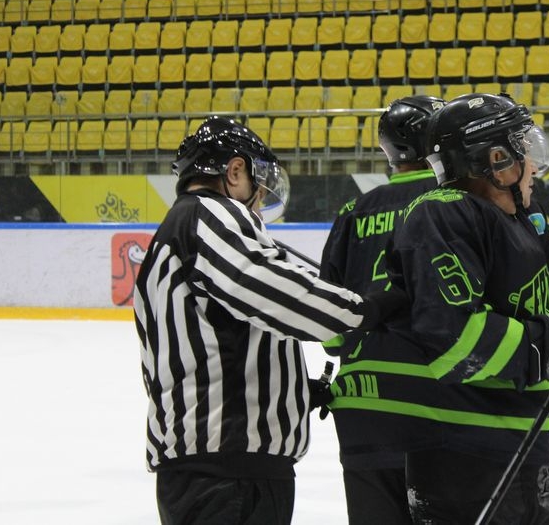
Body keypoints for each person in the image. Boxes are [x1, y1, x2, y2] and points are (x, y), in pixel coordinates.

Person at [331, 93, 549, 524]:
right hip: (464, 435)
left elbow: (543, 278)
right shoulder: (446, 211)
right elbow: (454, 334)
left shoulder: (513, 212)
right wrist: (546, 348)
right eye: (523, 149)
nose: (534, 165)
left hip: (497, 434)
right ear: (495, 159)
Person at [133, 116, 406, 525]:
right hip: (227, 474)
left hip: (215, 469)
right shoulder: (208, 215)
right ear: (235, 171)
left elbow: (212, 346)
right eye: (259, 187)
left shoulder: (178, 232)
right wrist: (368, 308)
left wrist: (290, 391)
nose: (259, 202)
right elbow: (276, 292)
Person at [318, 95, 444, 524]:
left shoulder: (352, 212)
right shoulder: (452, 203)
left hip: (362, 407)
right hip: (437, 405)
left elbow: (332, 335)